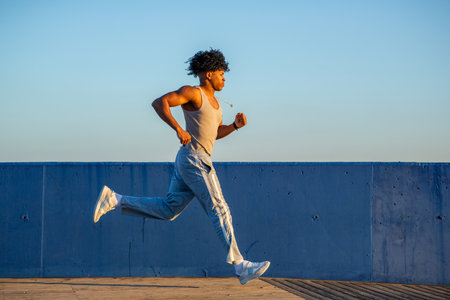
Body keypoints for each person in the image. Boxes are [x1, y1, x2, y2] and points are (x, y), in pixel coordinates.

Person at [93, 49, 270, 285]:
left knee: (169, 210)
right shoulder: (193, 93)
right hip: (195, 159)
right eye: (221, 74)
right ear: (209, 74)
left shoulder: (216, 104)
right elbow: (160, 103)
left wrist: (234, 126)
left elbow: (214, 133)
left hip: (190, 159)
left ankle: (115, 199)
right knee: (219, 207)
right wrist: (178, 128)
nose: (224, 78)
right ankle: (240, 264)